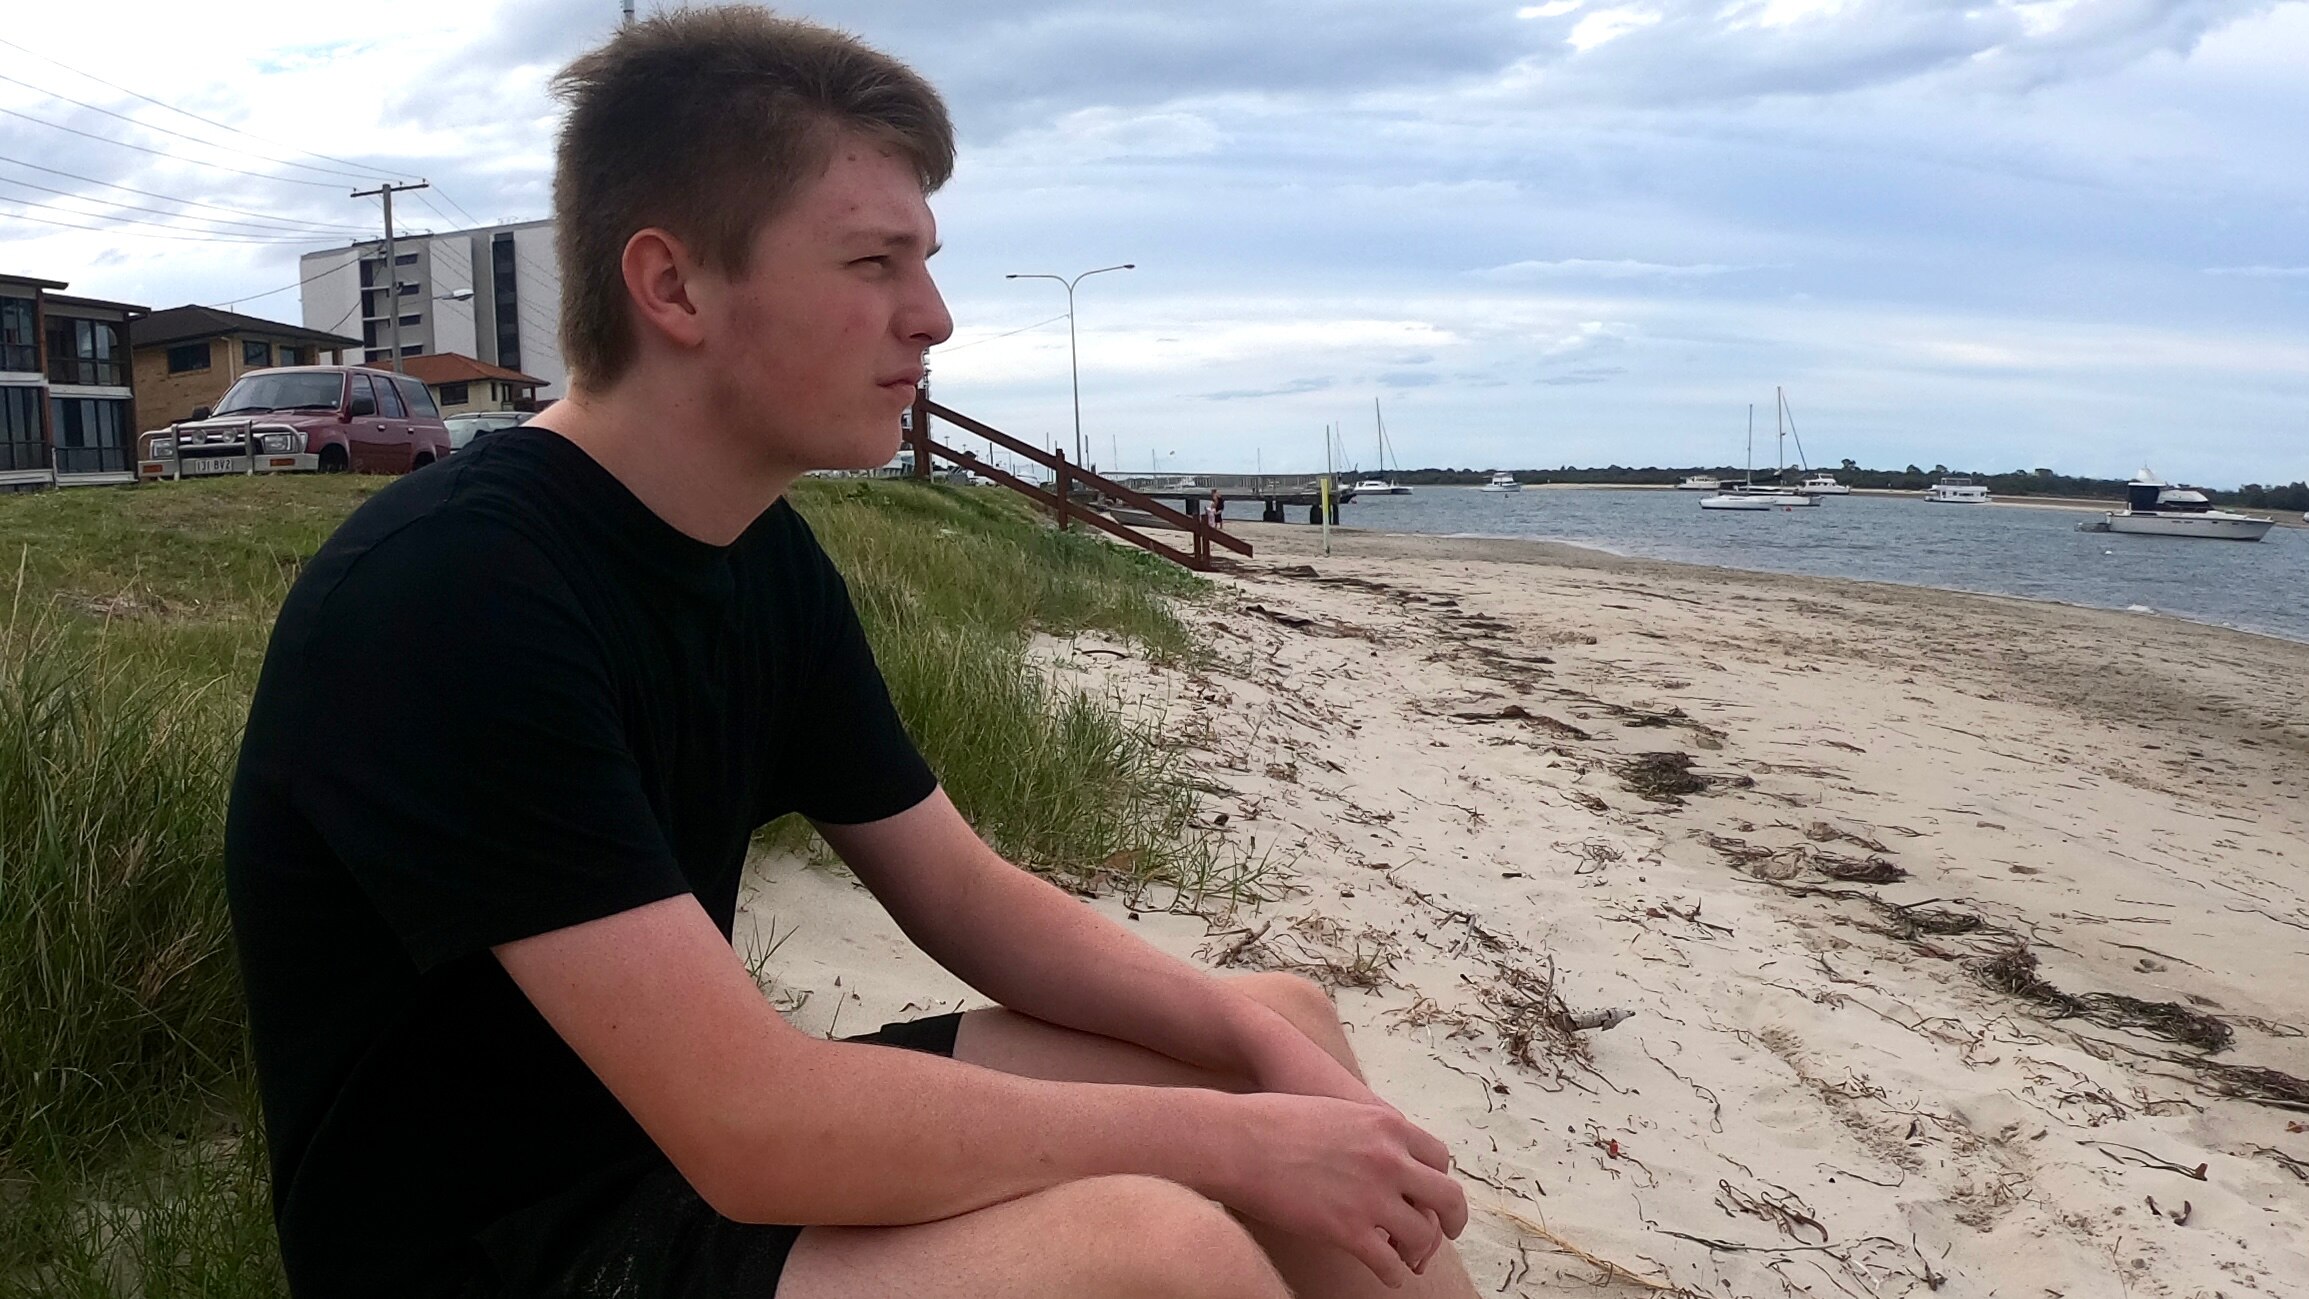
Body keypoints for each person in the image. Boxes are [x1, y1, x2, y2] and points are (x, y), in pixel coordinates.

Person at [225, 8, 1476, 1297]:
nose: (932, 319)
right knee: (1157, 1253)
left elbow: (969, 901)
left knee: (1278, 1029)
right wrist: (1240, 1145)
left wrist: (1271, 1076)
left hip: (675, 1156)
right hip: (513, 1244)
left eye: (927, 262)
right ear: (674, 287)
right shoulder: (449, 593)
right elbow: (750, 1125)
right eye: (876, 263)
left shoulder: (757, 554)